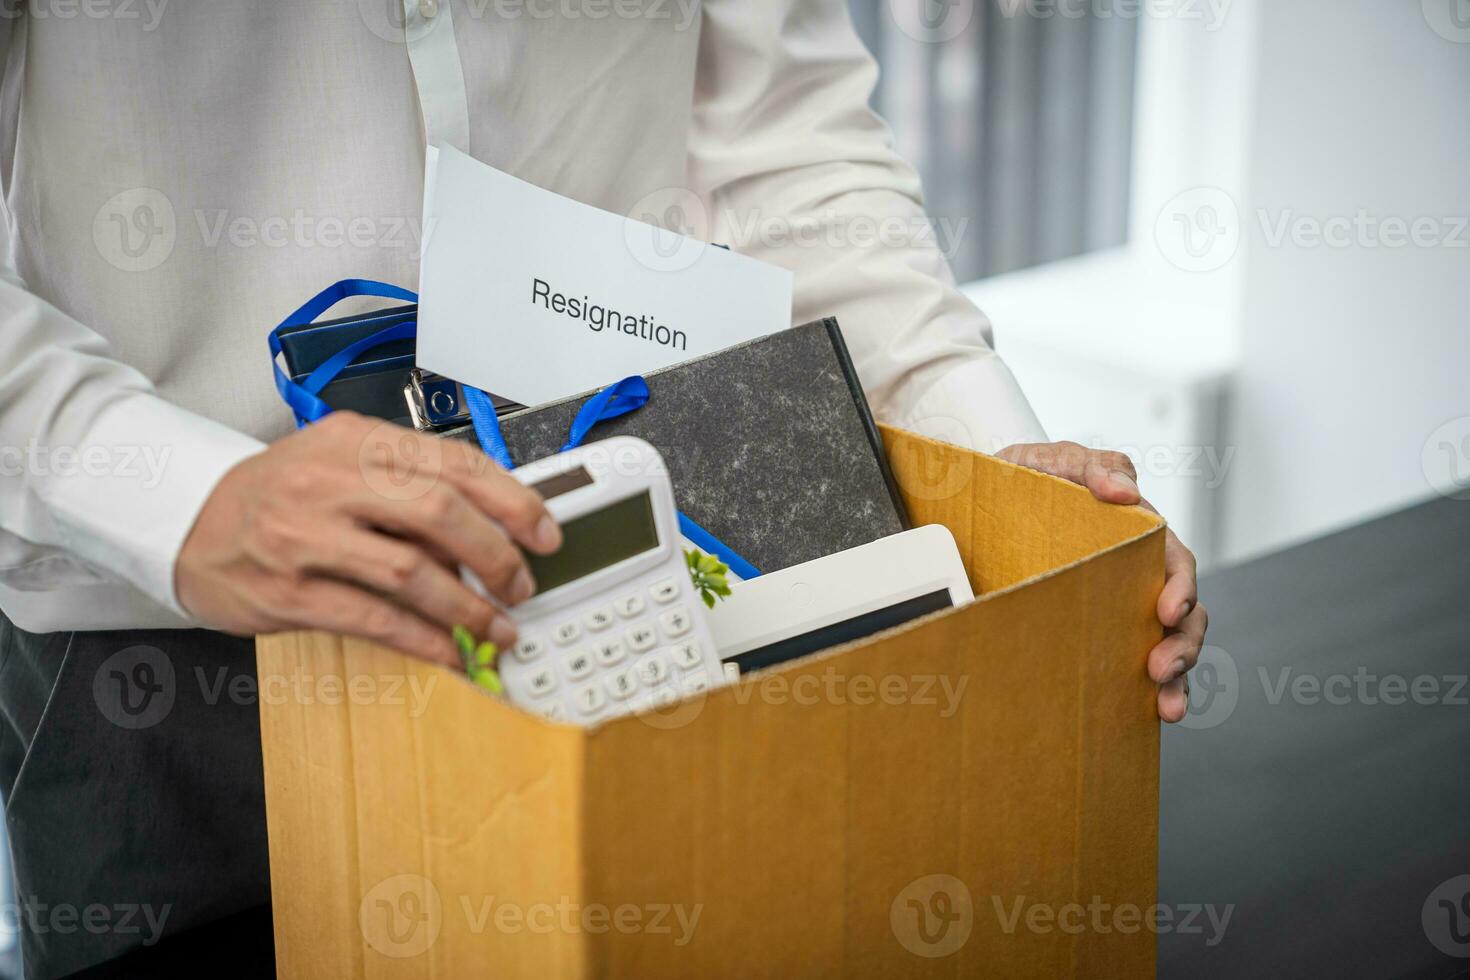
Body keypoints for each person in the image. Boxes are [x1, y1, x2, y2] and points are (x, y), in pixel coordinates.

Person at [0, 2, 1206, 974]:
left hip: (678, 567)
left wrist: (1001, 470)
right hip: (164, 637)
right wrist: (170, 488)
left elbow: (792, 142)